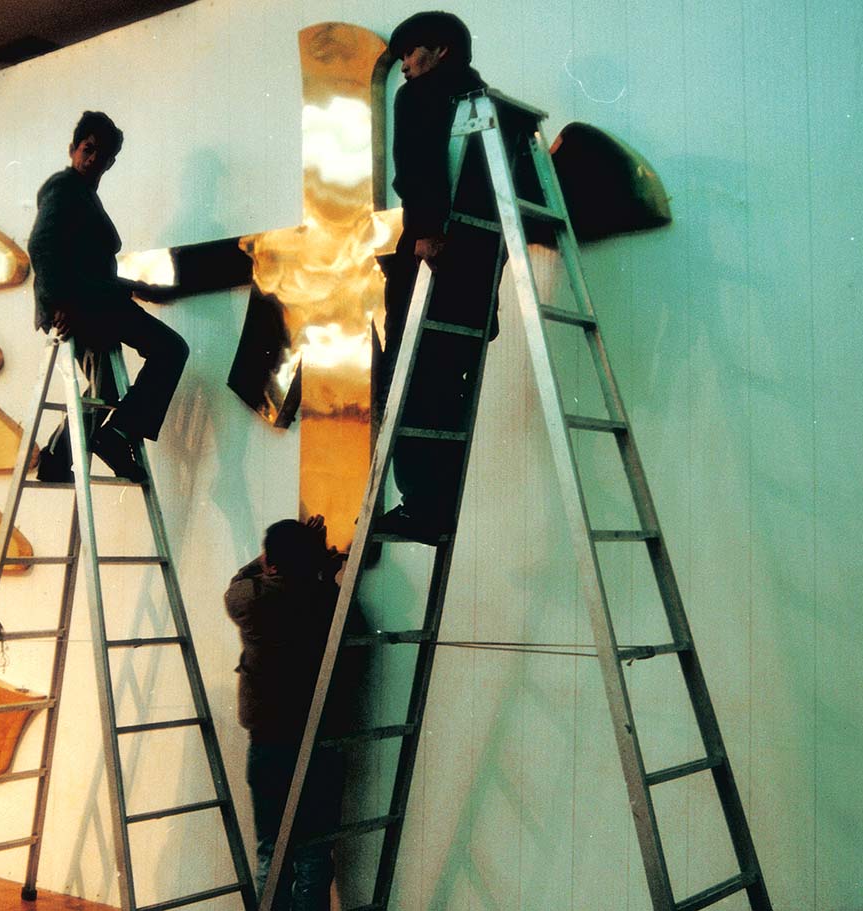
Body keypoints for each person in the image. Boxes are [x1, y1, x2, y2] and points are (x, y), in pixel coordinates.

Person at [375, 11, 505, 545]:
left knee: (401, 382)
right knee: (449, 390)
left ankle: (419, 506)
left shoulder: (419, 97)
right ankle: (437, 505)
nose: (404, 66)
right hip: (474, 281)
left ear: (441, 51)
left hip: (433, 265)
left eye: (410, 53)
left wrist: (426, 232)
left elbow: (415, 168)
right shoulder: (487, 107)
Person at [28, 110, 189, 483]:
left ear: (111, 163)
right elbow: (41, 245)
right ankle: (116, 434)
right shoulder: (64, 188)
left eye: (101, 155)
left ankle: (58, 458)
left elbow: (88, 264)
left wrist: (136, 288)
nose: (92, 159)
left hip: (97, 302)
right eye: (88, 149)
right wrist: (58, 304)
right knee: (170, 349)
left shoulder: (84, 195)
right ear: (73, 149)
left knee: (107, 389)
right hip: (83, 306)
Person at [224, 516, 359, 911]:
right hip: (321, 740)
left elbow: (238, 583)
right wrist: (320, 569)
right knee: (314, 851)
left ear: (270, 563)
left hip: (269, 741)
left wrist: (276, 559)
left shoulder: (251, 601)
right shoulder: (331, 602)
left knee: (272, 849)